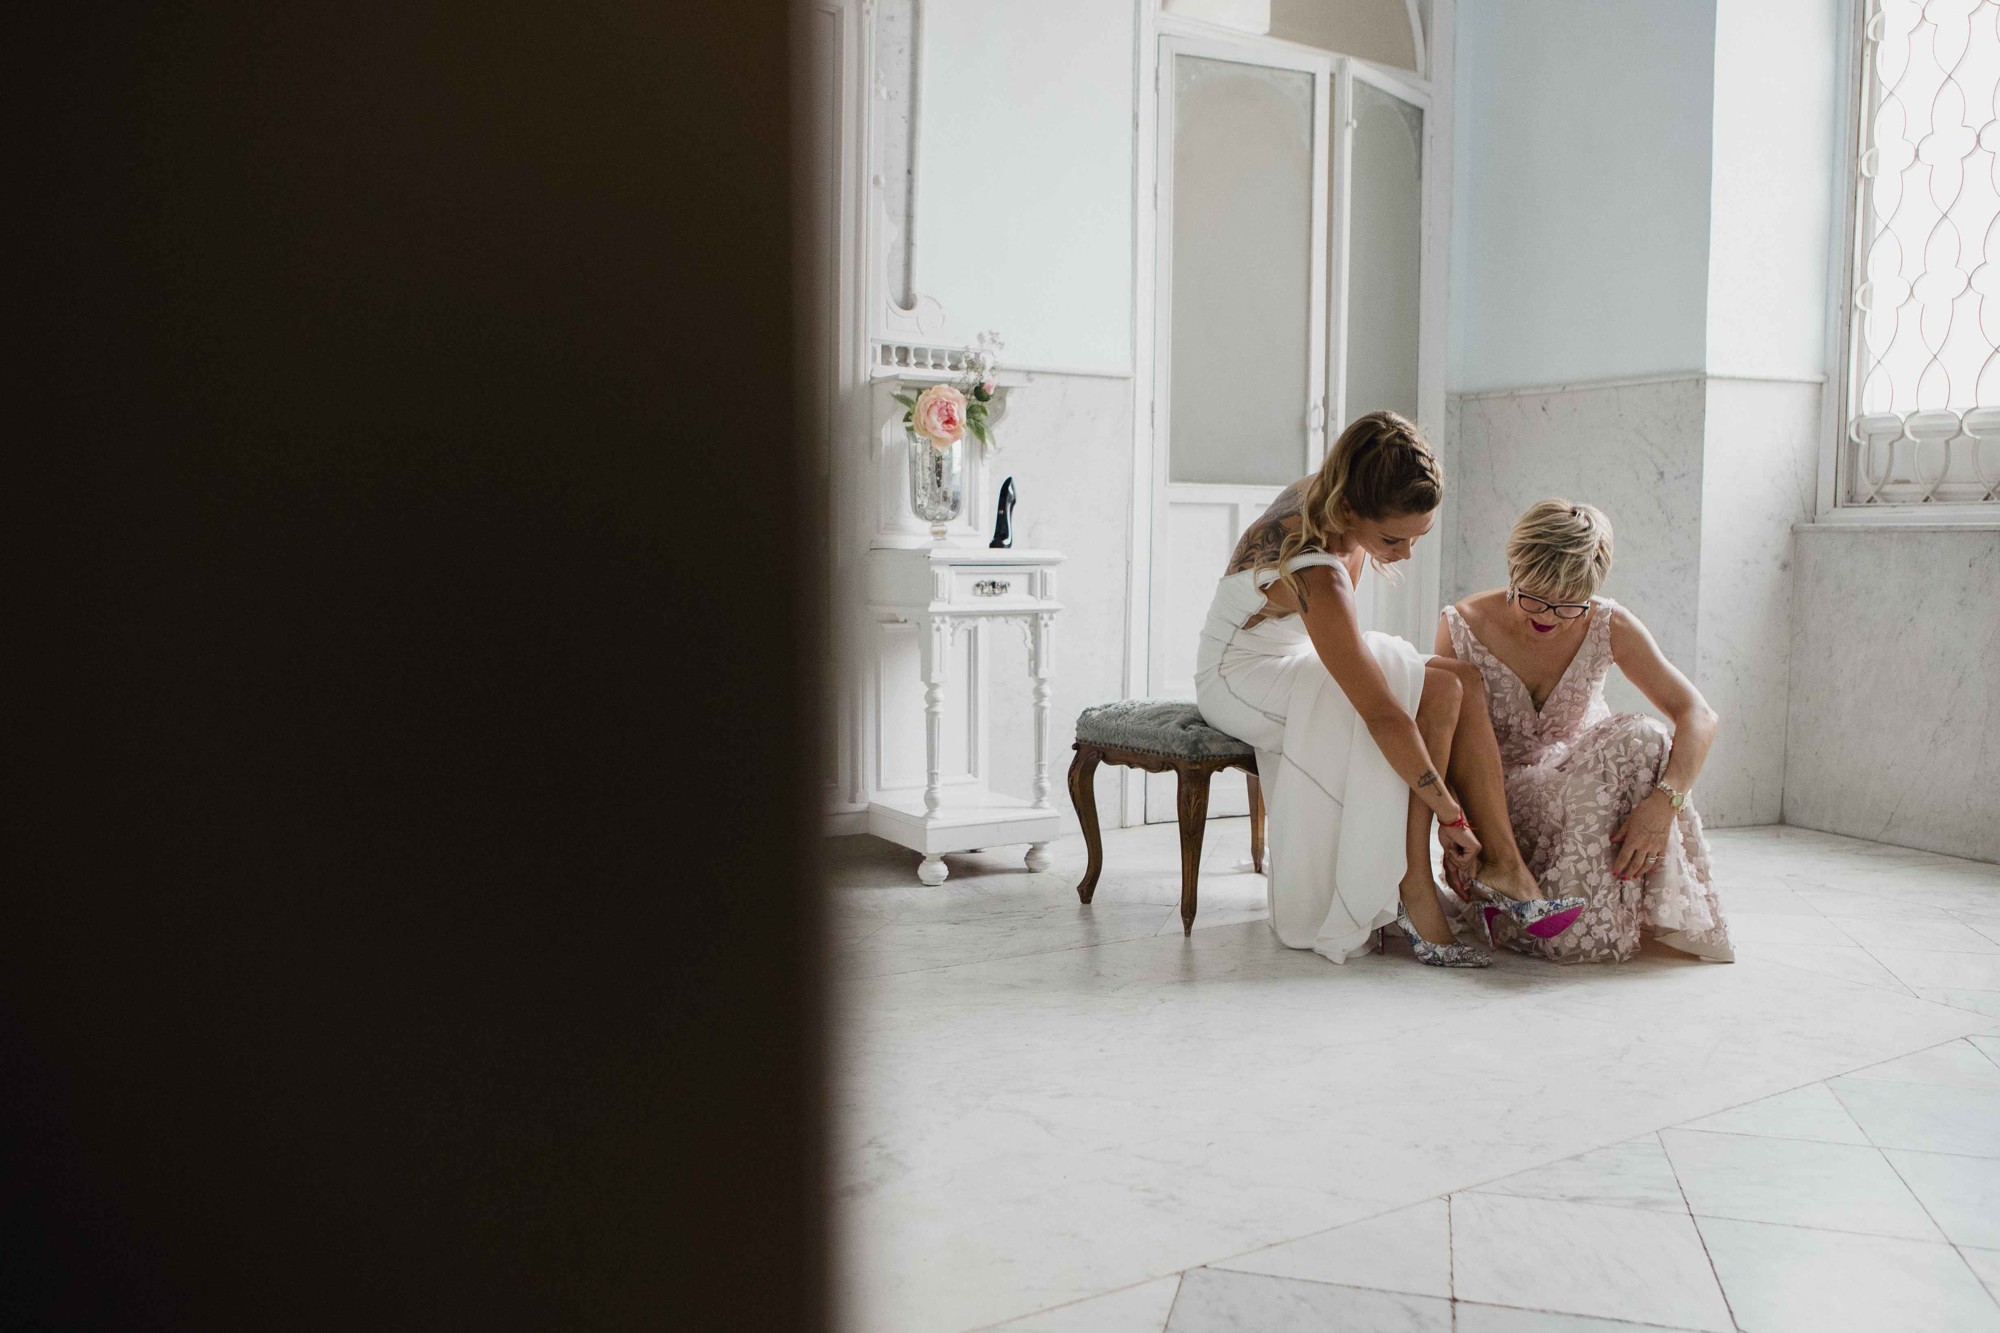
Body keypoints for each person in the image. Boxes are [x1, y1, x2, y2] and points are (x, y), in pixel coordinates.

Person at [1194, 412, 1582, 968]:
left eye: (1417, 537)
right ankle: (1413, 887)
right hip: (1238, 678)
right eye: (1392, 539)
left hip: (1299, 655)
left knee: (1461, 680)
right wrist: (1450, 815)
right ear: (1350, 510)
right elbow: (1381, 716)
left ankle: (1505, 867)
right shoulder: (1316, 571)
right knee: (1429, 693)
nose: (1403, 555)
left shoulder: (1339, 491)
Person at [1435, 500, 1734, 963]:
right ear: (1514, 568)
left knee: (1645, 737)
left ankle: (1625, 909)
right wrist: (1455, 827)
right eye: (1534, 596)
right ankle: (1521, 892)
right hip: (1501, 802)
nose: (1549, 616)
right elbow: (1447, 739)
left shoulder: (1605, 622)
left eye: (1568, 604)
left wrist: (1662, 805)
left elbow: (1698, 713)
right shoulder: (1463, 623)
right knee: (1628, 750)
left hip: (1586, 788)